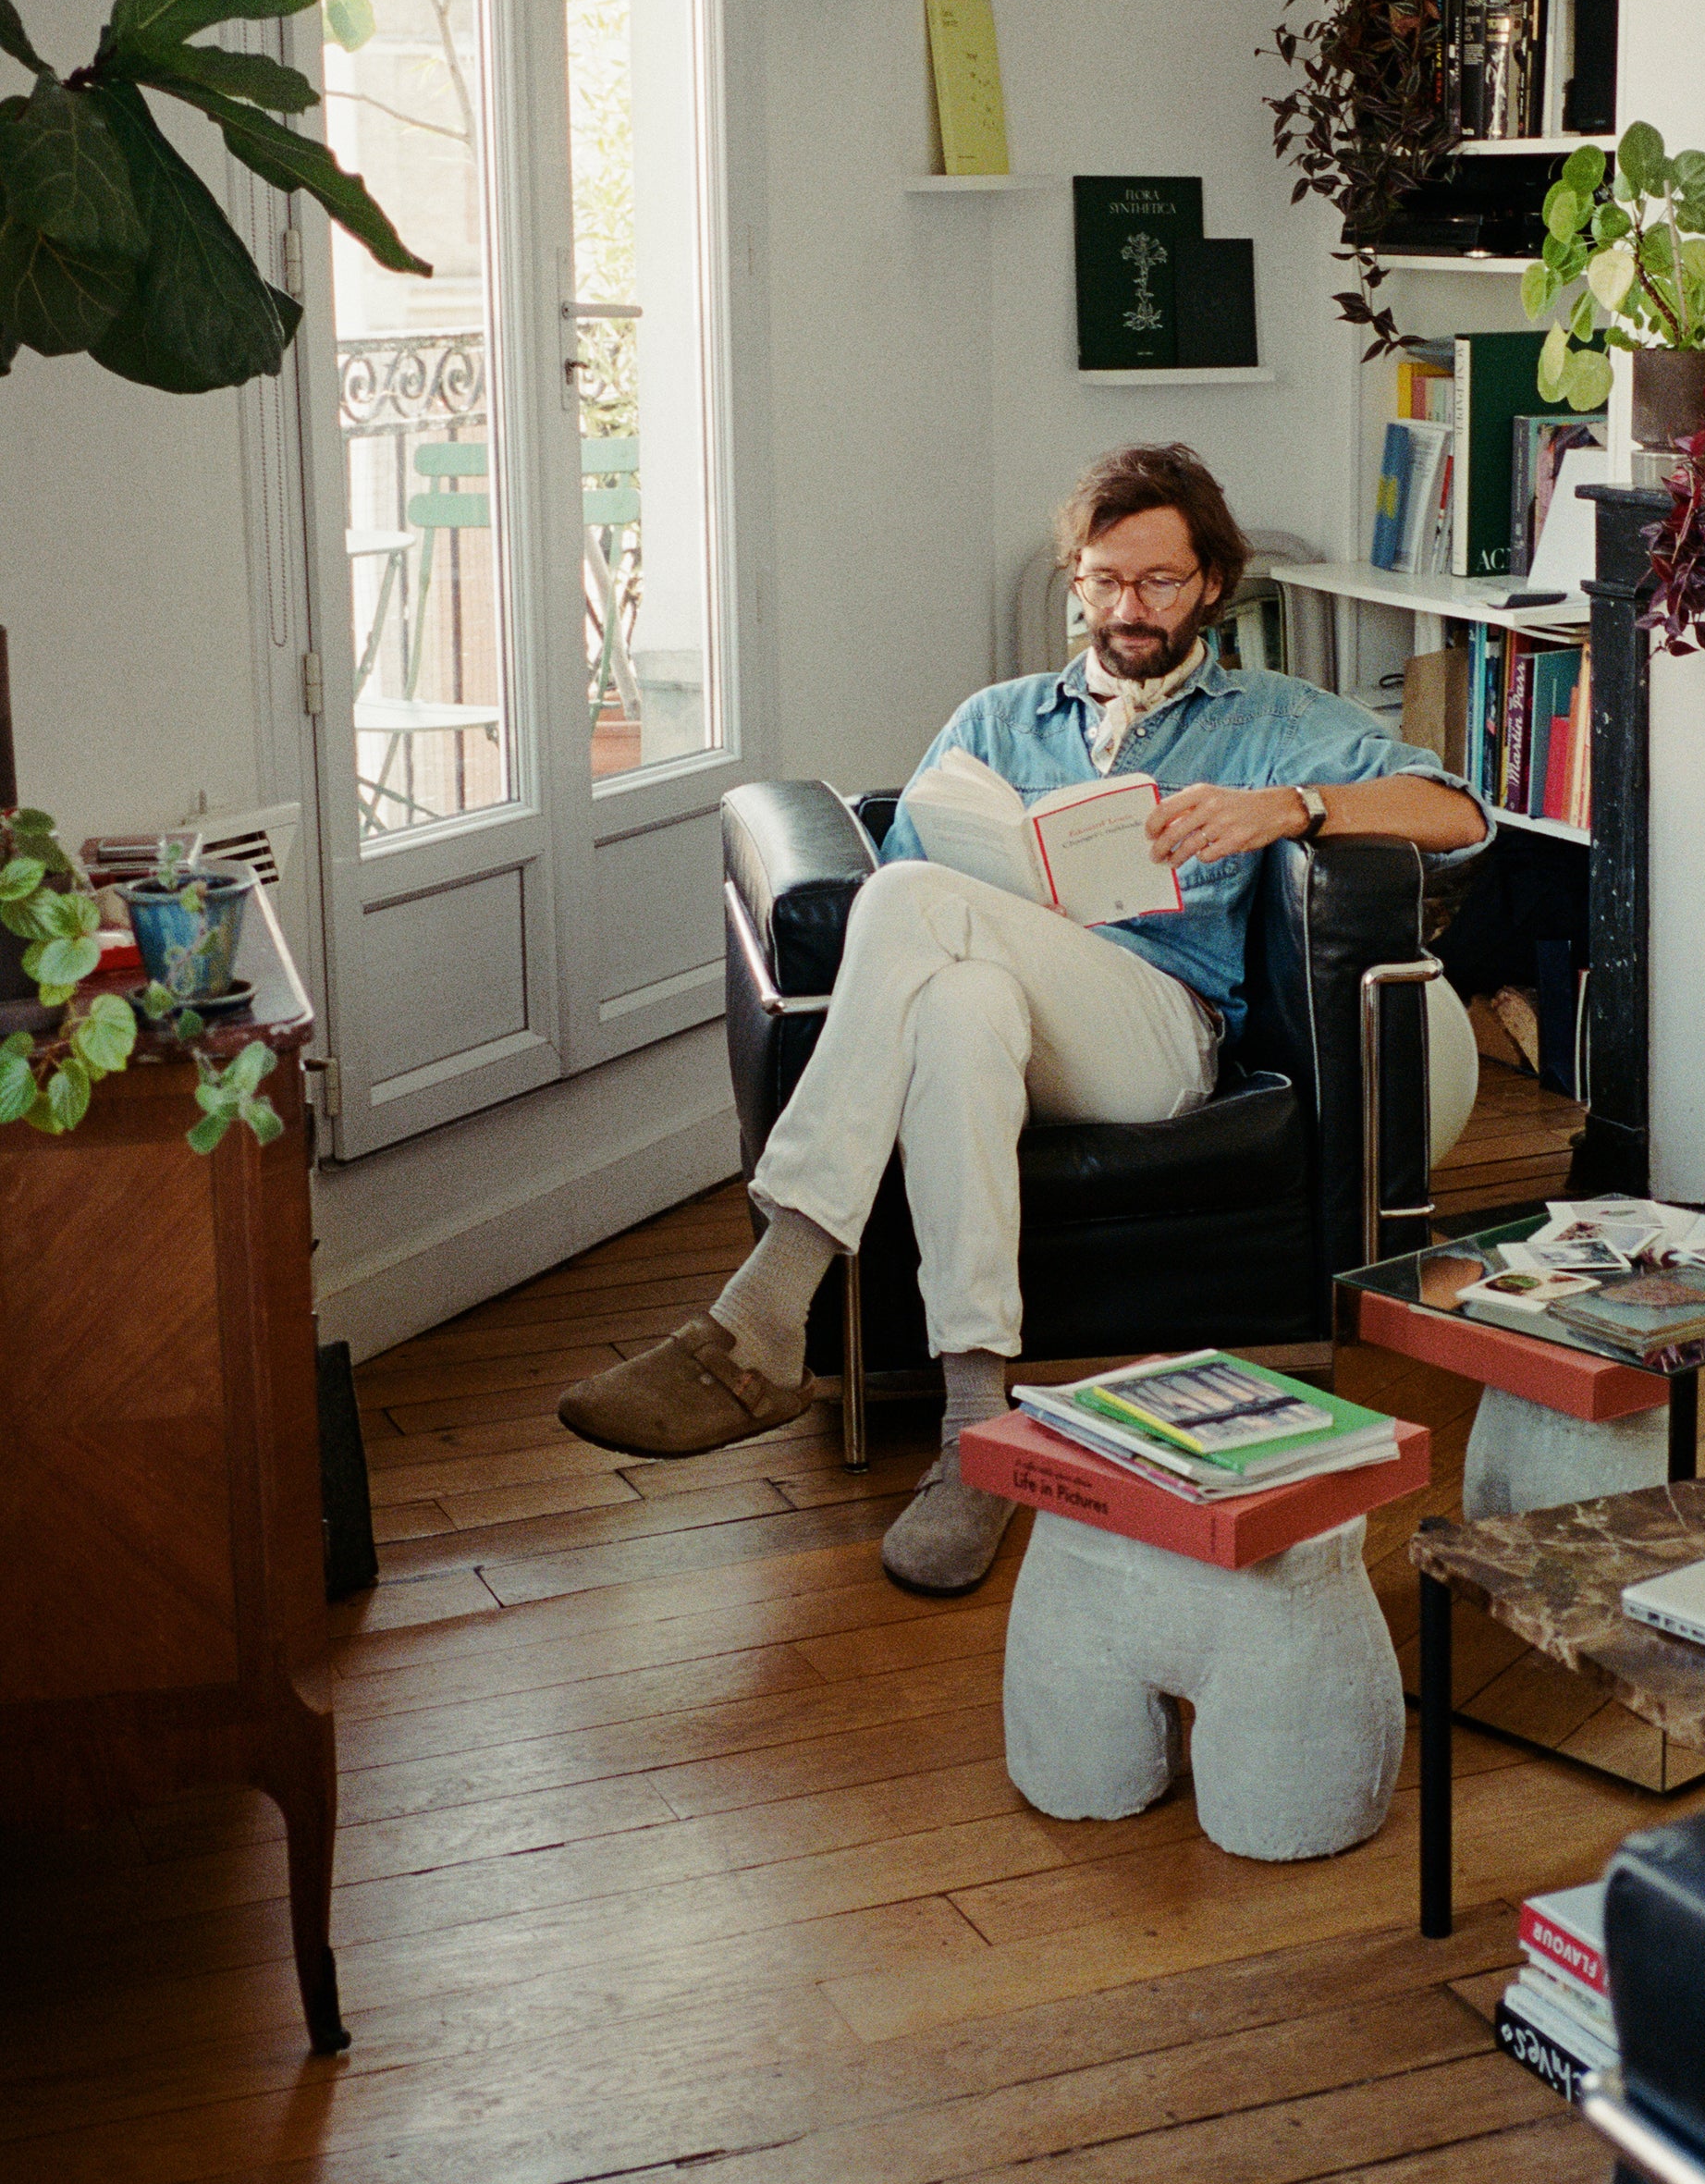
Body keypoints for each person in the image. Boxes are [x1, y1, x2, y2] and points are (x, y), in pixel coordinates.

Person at [557, 442, 1489, 1593]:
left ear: (1209, 582)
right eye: (1100, 580)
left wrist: (1289, 807)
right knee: (954, 1008)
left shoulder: (1270, 718)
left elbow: (1455, 814)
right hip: (1013, 1018)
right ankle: (973, 1435)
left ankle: (765, 1307)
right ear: (1074, 580)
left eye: (1155, 581)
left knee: (913, 910)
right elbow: (900, 932)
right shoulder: (997, 721)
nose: (1125, 608)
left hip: (1159, 1033)